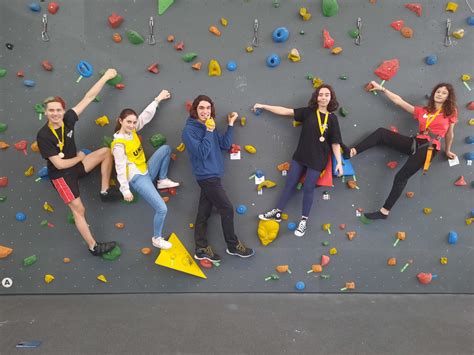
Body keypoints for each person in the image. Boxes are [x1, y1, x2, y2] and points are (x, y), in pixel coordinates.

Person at [343, 81, 458, 221]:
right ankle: (353, 152)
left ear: (448, 97)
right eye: (438, 91)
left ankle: (384, 212)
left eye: (444, 93)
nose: (440, 94)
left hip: (429, 148)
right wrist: (381, 88)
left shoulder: (450, 112)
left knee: (400, 177)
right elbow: (399, 101)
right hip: (415, 142)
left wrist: (448, 150)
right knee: (381, 133)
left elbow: (450, 134)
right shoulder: (423, 111)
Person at [37, 68, 122, 256]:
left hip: (75, 166)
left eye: (58, 110)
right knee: (79, 210)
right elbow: (59, 165)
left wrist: (106, 76)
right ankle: (93, 246)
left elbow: (88, 97)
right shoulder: (43, 136)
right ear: (46, 112)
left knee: (105, 152)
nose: (55, 113)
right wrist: (80, 157)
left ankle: (105, 190)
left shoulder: (68, 119)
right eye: (51, 110)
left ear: (63, 111)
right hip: (62, 176)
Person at [254, 84, 344, 237]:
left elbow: (335, 143)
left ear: (331, 98)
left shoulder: (333, 119)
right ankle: (278, 212)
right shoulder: (308, 112)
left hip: (317, 160)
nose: (323, 97)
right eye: (320, 94)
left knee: (308, 188)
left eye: (326, 95)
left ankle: (303, 221)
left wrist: (339, 163)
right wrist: (263, 106)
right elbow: (285, 111)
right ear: (316, 97)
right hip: (301, 156)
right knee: (290, 183)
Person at [182, 95, 255, 263]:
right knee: (227, 209)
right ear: (195, 109)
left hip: (214, 175)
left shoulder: (211, 126)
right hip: (206, 177)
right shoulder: (189, 130)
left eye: (208, 108)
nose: (205, 111)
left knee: (204, 212)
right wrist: (208, 130)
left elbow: (224, 145)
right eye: (201, 108)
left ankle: (201, 248)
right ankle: (233, 245)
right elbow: (202, 152)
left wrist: (230, 124)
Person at [111, 90, 179, 249]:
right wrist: (125, 190)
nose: (132, 125)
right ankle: (157, 238)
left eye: (134, 122)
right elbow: (120, 168)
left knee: (166, 149)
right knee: (162, 208)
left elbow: (145, 116)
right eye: (128, 122)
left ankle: (162, 180)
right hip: (137, 179)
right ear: (120, 121)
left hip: (146, 170)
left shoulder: (132, 131)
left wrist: (158, 99)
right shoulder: (118, 144)